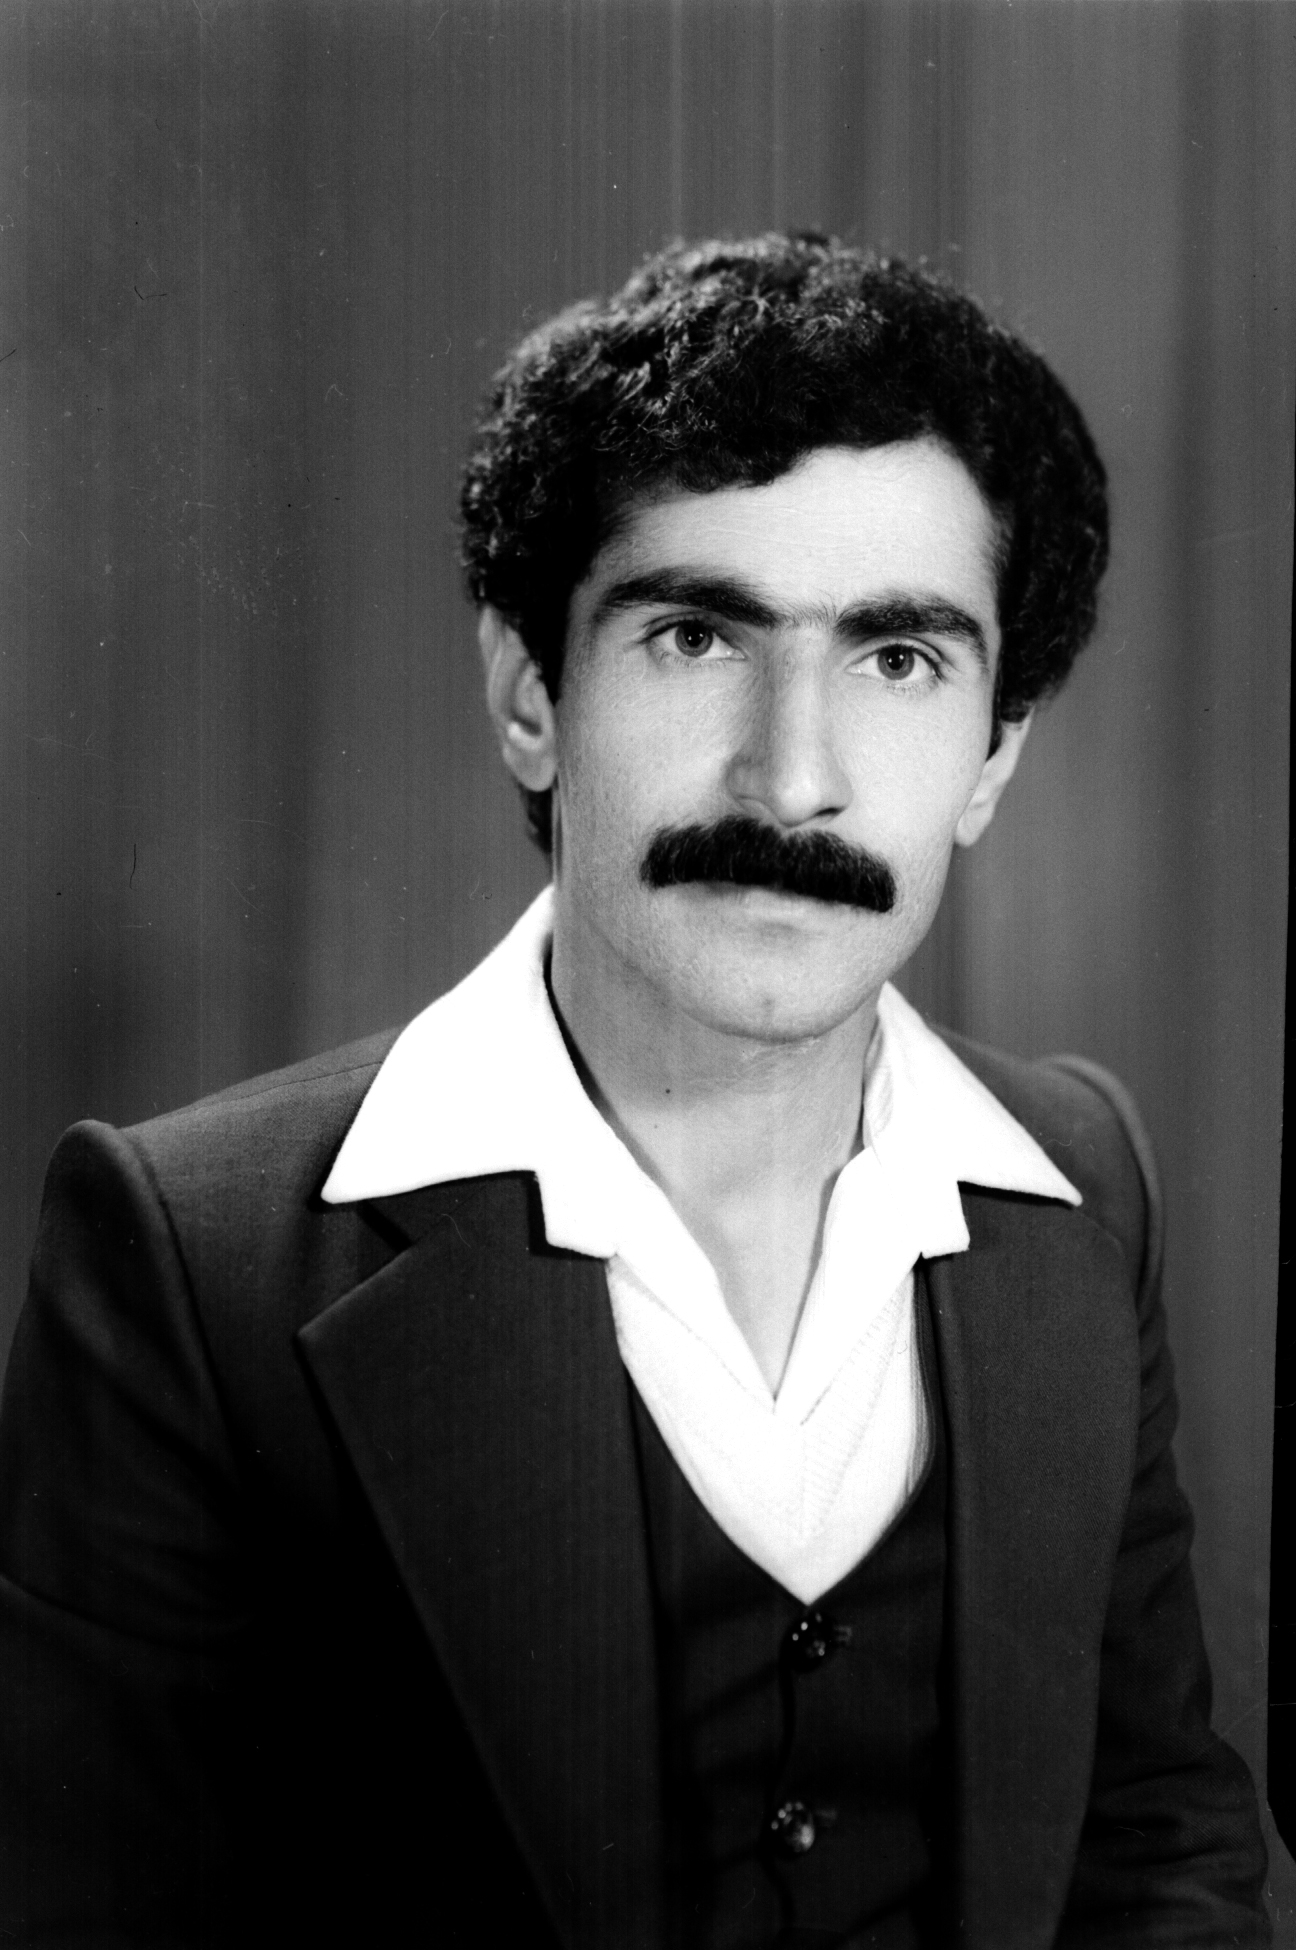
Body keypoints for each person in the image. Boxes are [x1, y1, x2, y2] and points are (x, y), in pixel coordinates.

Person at [0, 234, 1271, 1948]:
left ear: (994, 754)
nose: (794, 777)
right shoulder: (191, 1257)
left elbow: (1158, 1838)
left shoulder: (1085, 1174)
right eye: (694, 635)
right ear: (531, 693)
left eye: (899, 659)